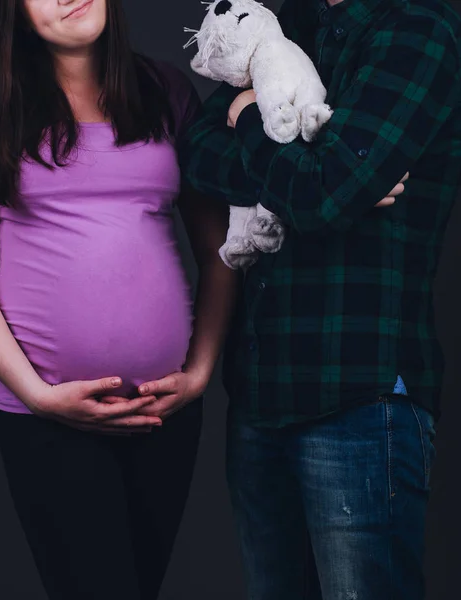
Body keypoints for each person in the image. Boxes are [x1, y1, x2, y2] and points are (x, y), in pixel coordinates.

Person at [0, 1, 237, 598]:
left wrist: (198, 373)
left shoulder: (165, 89)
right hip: (47, 418)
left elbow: (221, 247)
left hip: (163, 415)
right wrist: (38, 396)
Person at [179, 0, 461, 598]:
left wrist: (249, 113)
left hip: (360, 399)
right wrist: (311, 167)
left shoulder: (418, 31)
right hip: (259, 399)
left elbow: (323, 195)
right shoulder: (286, 23)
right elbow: (194, 153)